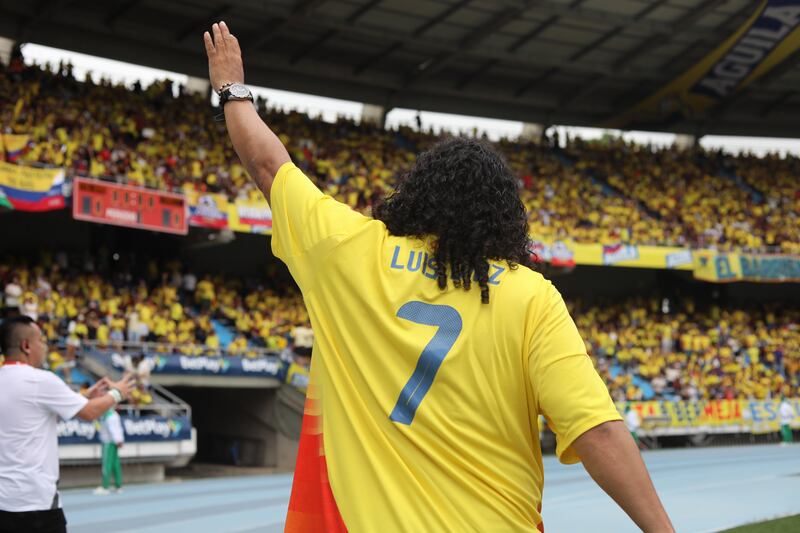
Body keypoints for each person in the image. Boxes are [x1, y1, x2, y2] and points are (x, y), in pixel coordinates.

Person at [204, 22, 674, 532]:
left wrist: (232, 89)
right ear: (504, 219)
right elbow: (597, 432)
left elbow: (270, 166)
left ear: (416, 195)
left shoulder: (350, 250)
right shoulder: (529, 295)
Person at [0, 316, 135, 533]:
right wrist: (117, 393)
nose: (45, 347)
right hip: (37, 505)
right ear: (26, 346)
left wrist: (83, 395)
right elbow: (89, 413)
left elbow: (35, 409)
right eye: (41, 341)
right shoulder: (40, 380)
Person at [94, 408, 125, 495]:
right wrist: (119, 440)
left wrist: (118, 440)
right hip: (112, 441)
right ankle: (118, 485)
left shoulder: (110, 415)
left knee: (106, 464)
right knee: (115, 464)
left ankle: (105, 487)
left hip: (108, 442)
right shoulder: (109, 414)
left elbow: (114, 429)